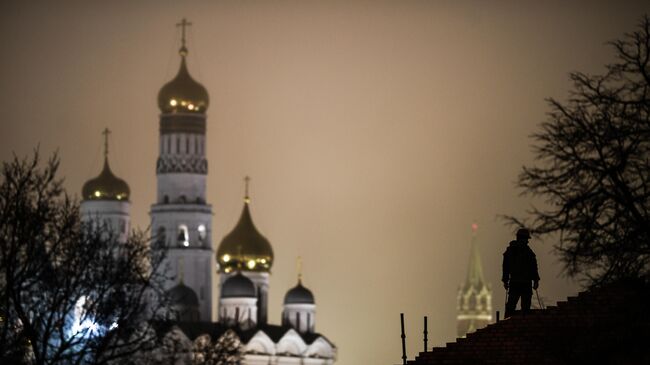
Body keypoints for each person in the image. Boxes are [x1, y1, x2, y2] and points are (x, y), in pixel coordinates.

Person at [502, 228, 539, 318]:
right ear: (521, 238)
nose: (527, 241)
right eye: (526, 239)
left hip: (521, 282)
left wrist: (536, 280)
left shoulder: (524, 252)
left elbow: (533, 267)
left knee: (522, 308)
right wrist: (505, 280)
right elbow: (506, 267)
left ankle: (517, 324)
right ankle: (508, 325)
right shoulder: (516, 251)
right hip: (519, 282)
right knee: (513, 307)